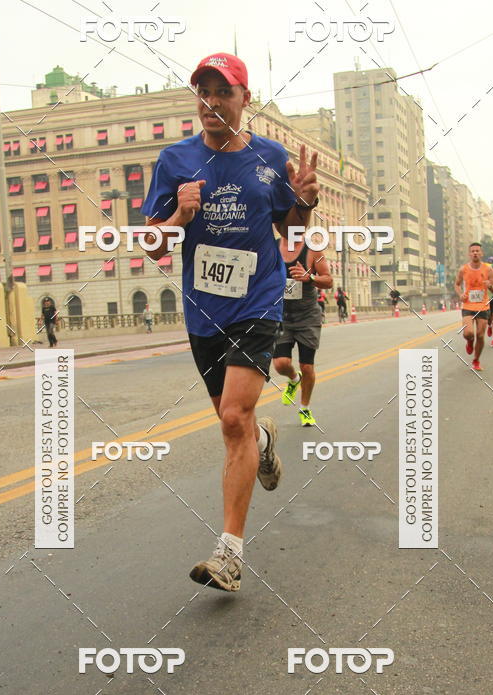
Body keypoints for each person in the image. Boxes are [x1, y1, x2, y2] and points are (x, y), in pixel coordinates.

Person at [141, 52, 319, 592]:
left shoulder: (271, 156)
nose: (212, 101)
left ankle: (229, 554)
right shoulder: (174, 161)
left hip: (258, 300)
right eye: (204, 92)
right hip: (203, 309)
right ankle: (264, 444)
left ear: (246, 100)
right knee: (234, 420)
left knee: (231, 419)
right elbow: (151, 248)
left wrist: (305, 203)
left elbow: (290, 226)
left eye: (224, 91)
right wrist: (176, 217)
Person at [273, 233, 333, 426]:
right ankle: (292, 379)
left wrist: (310, 277)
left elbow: (328, 280)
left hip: (307, 316)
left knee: (307, 366)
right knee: (281, 364)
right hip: (281, 316)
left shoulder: (314, 250)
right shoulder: (270, 247)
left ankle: (304, 408)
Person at [454, 242, 493, 372]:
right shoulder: (463, 269)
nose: (475, 253)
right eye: (472, 251)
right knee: (468, 333)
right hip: (468, 305)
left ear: (481, 253)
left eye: (477, 251)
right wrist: (460, 294)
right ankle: (469, 341)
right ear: (469, 254)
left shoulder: (488, 269)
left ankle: (476, 360)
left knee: (480, 335)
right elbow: (457, 284)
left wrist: (490, 286)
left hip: (483, 306)